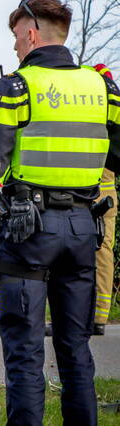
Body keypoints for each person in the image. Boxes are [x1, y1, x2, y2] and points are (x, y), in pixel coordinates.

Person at [0, 0, 116, 426]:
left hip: (28, 230)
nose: (13, 46)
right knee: (76, 352)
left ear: (32, 33)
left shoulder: (18, 85)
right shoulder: (101, 84)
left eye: (15, 36)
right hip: (83, 228)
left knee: (25, 352)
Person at [93, 65, 116, 336]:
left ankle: (98, 317)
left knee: (100, 256)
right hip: (96, 197)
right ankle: (95, 316)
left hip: (99, 199)